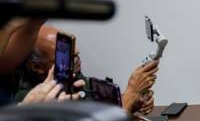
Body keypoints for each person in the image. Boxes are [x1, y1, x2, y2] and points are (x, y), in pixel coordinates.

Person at [13, 24, 158, 114]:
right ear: (37, 67)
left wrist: (133, 103)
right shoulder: (32, 106)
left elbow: (101, 115)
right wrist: (132, 93)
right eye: (68, 58)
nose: (76, 61)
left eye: (76, 55)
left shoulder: (73, 80)